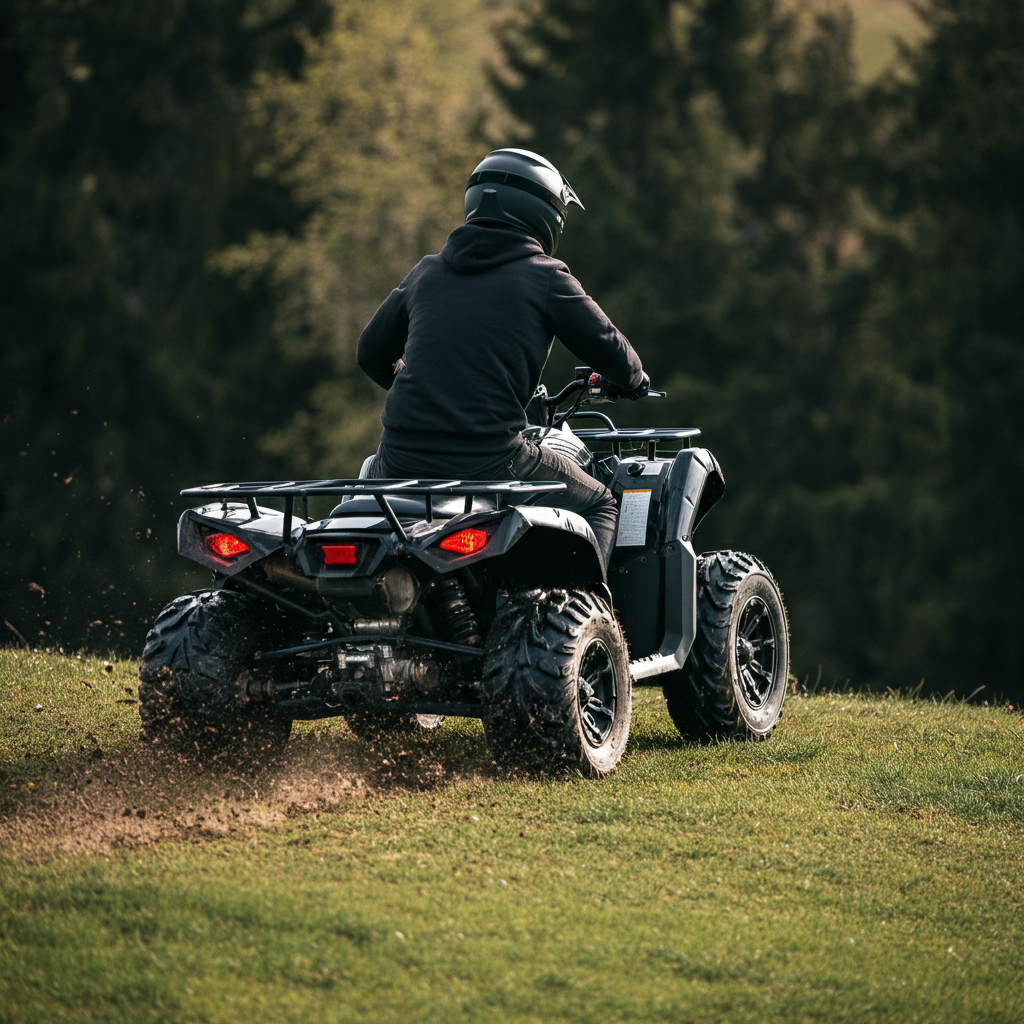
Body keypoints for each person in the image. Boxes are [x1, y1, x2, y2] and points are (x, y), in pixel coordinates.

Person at [356, 147, 648, 569]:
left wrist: (418, 382)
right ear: (545, 215)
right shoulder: (545, 275)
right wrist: (634, 381)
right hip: (490, 459)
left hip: (398, 459)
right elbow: (615, 353)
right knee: (601, 503)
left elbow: (370, 354)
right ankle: (595, 624)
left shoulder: (427, 272)